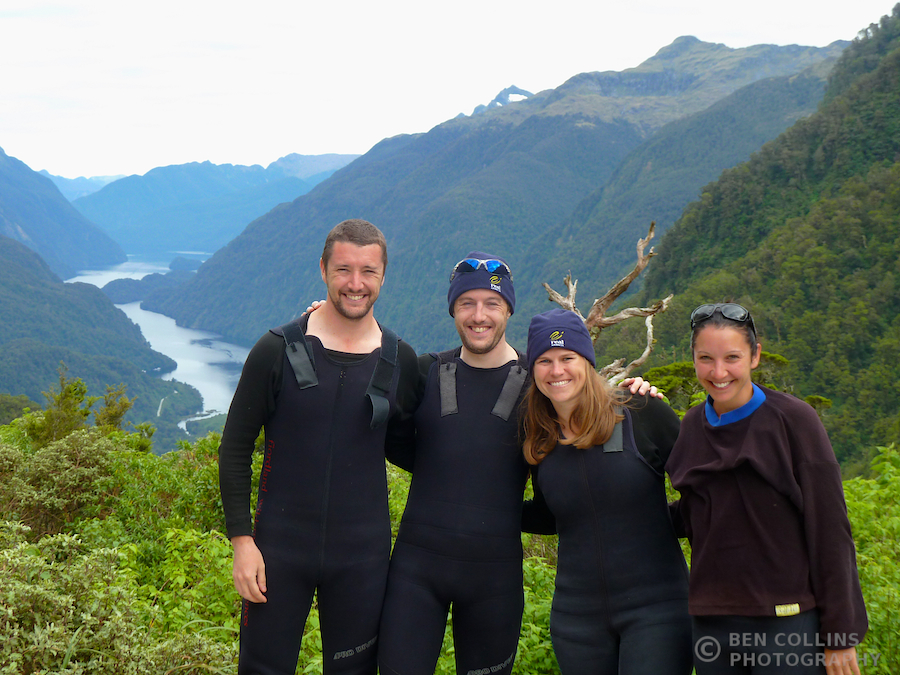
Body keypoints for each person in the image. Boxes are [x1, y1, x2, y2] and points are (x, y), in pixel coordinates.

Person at [376, 255, 657, 675]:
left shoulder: (540, 383)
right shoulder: (427, 371)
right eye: (467, 303)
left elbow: (588, 430)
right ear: (452, 308)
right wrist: (328, 325)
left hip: (495, 581)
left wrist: (638, 396)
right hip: (416, 575)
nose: (479, 316)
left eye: (491, 303)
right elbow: (391, 437)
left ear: (508, 309)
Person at [217, 219, 420, 675]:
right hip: (277, 553)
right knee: (262, 668)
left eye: (368, 271)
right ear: (323, 269)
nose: (355, 283)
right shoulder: (275, 351)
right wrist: (242, 541)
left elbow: (414, 449)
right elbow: (234, 448)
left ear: (383, 276)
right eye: (343, 269)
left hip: (361, 559)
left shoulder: (399, 360)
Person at [666, 302, 868, 675]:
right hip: (712, 625)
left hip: (786, 622)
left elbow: (830, 530)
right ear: (693, 359)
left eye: (732, 357)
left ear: (755, 356)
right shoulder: (692, 425)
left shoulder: (793, 421)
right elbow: (694, 515)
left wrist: (840, 633)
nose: (719, 371)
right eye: (706, 358)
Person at [521, 308, 693, 675]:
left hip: (658, 611)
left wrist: (662, 522)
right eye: (545, 360)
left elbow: (703, 494)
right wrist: (481, 511)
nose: (557, 371)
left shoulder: (641, 412)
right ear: (532, 369)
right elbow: (553, 516)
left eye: (568, 358)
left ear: (588, 361)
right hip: (576, 620)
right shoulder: (539, 439)